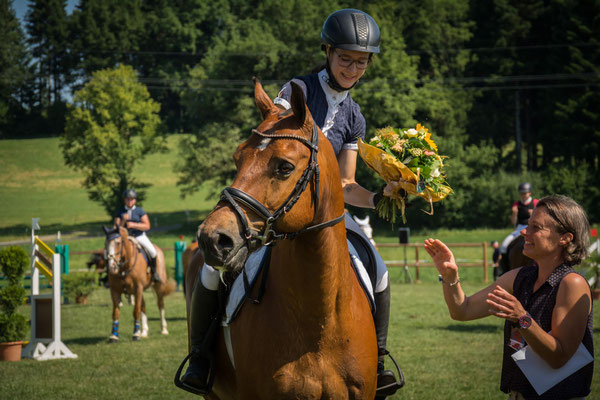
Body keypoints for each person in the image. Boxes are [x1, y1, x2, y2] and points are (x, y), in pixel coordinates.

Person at [181, 8, 402, 396]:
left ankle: (379, 362)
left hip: (326, 219)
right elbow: (271, 146)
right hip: (280, 210)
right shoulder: (297, 90)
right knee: (212, 271)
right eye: (345, 58)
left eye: (361, 61)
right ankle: (201, 357)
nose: (352, 68)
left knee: (379, 272)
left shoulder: (354, 117)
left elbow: (346, 185)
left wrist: (382, 195)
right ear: (328, 52)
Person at [424, 195, 593, 399]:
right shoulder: (519, 277)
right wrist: (450, 276)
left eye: (535, 228)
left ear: (565, 238)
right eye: (527, 225)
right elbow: (462, 310)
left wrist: (522, 318)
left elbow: (559, 358)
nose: (523, 232)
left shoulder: (571, 283)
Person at [114, 189, 161, 283]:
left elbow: (147, 226)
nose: (129, 201)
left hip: (138, 236)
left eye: (131, 199)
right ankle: (110, 275)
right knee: (112, 251)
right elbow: (116, 227)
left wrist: (134, 225)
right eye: (127, 199)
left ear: (135, 200)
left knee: (152, 252)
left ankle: (154, 272)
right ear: (124, 200)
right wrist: (123, 221)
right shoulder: (120, 211)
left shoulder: (140, 211)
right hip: (124, 237)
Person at [499, 183, 539, 262]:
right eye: (521, 193)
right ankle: (504, 268)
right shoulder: (517, 204)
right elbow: (513, 222)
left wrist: (534, 215)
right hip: (519, 228)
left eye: (525, 193)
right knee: (504, 246)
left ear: (529, 192)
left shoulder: (535, 203)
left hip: (533, 228)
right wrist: (514, 213)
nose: (523, 195)